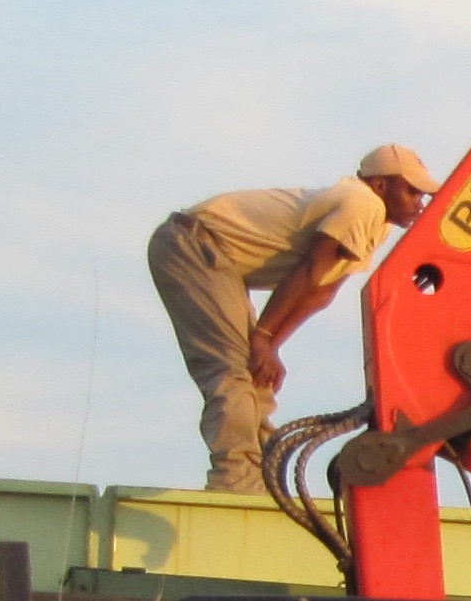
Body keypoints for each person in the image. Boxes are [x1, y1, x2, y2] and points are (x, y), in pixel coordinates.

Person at [145, 146, 437, 492]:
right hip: (193, 245)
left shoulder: (377, 225)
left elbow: (321, 290)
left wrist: (268, 345)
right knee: (232, 371)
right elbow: (310, 269)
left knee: (257, 375)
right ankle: (236, 479)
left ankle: (262, 477)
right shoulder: (363, 203)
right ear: (379, 184)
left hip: (217, 259)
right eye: (412, 191)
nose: (419, 202)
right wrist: (263, 336)